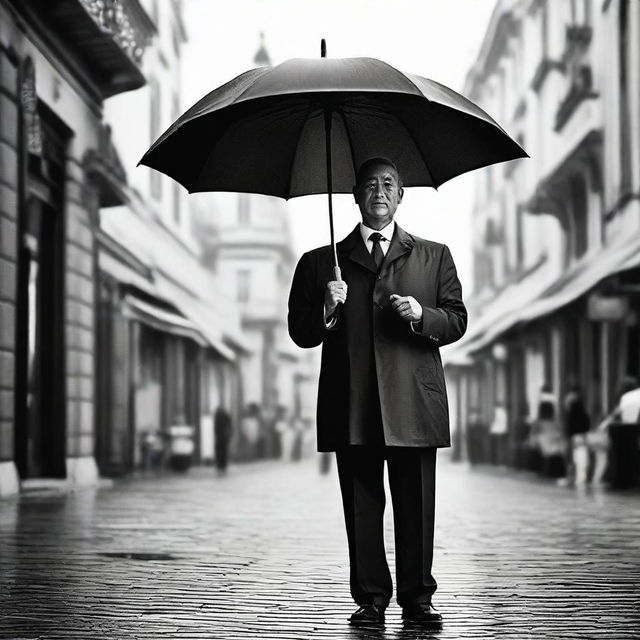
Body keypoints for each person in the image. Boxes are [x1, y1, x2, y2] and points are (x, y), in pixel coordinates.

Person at [288, 158, 467, 626]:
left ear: (401, 194)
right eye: (370, 185)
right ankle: (369, 598)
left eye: (389, 184)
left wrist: (421, 315)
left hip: (413, 402)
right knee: (362, 507)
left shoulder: (435, 256)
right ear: (355, 195)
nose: (380, 191)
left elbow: (457, 320)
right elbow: (299, 331)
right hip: (353, 403)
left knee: (416, 504)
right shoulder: (318, 262)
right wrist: (326, 308)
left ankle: (417, 596)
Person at [214, 406, 232, 474]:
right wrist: (229, 435)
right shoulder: (226, 416)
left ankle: (219, 465)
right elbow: (230, 426)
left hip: (219, 437)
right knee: (224, 452)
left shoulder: (217, 416)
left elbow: (215, 428)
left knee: (219, 452)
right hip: (224, 437)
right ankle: (223, 465)